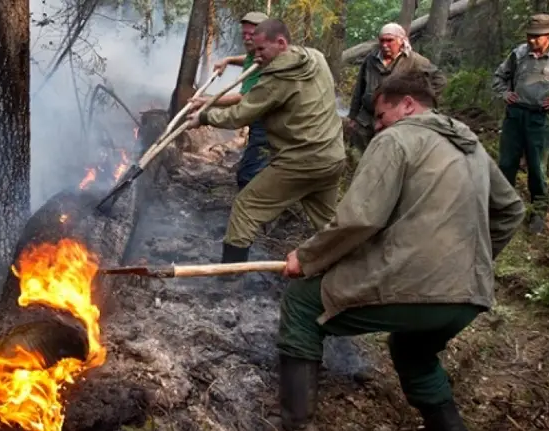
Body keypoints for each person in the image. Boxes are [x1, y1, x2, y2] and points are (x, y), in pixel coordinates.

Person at [275, 71, 525, 431]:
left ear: (408, 104)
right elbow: (511, 210)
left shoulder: (397, 139)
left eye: (380, 114)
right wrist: (471, 262)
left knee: (302, 302)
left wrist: (308, 257)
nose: (376, 125)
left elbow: (361, 217)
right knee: (414, 353)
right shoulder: (472, 146)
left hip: (417, 290)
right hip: (469, 296)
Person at [187, 18, 346, 265]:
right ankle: (350, 267)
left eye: (261, 49)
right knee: (330, 223)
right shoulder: (315, 57)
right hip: (332, 157)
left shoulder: (277, 79)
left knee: (245, 208)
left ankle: (230, 274)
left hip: (301, 161)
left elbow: (239, 115)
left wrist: (204, 116)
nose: (256, 55)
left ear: (281, 43)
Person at [492, 13, 549, 235]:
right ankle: (501, 206)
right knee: (507, 162)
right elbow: (499, 76)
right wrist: (505, 93)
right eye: (530, 35)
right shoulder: (519, 53)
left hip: (542, 117)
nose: (532, 40)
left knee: (537, 167)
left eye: (537, 37)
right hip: (516, 114)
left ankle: (538, 211)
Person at [189, 11, 271, 190]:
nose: (248, 38)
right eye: (245, 34)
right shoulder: (256, 52)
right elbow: (247, 59)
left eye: (253, 35)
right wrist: (229, 59)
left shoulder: (264, 61)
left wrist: (207, 101)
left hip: (268, 126)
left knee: (248, 174)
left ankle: (249, 210)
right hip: (262, 121)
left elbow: (243, 98)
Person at [346, 22, 447, 153]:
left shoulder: (414, 61)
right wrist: (353, 116)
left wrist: (418, 100)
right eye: (382, 40)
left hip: (394, 120)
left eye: (389, 40)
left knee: (388, 153)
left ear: (401, 41)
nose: (384, 45)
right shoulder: (370, 60)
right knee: (361, 153)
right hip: (366, 118)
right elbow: (360, 88)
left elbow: (440, 80)